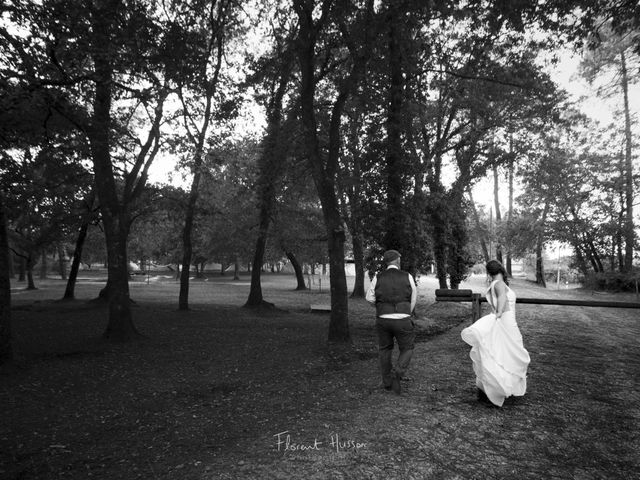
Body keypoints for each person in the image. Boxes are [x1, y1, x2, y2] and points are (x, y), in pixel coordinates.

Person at [461, 260, 530, 407]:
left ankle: (491, 387)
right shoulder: (499, 284)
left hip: (504, 319)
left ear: (489, 272)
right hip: (506, 320)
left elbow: (500, 299)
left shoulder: (494, 284)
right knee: (511, 352)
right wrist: (497, 314)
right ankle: (500, 388)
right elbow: (501, 299)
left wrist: (497, 315)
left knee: (501, 352)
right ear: (500, 269)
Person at [366, 249, 417, 394]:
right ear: (397, 260)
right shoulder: (407, 276)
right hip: (403, 319)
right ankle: (398, 373)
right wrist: (406, 312)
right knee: (407, 347)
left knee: (385, 349)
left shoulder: (378, 277)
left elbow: (369, 298)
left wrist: (381, 307)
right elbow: (413, 297)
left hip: (383, 319)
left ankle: (387, 382)